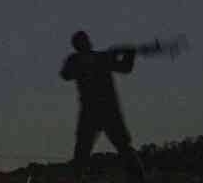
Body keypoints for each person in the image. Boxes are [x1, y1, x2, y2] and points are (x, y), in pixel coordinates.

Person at [60, 30, 145, 182]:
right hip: (94, 112)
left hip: (106, 111)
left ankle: (137, 178)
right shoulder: (82, 60)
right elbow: (66, 74)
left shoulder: (101, 58)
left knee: (123, 147)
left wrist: (130, 54)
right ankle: (77, 178)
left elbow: (125, 68)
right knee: (83, 150)